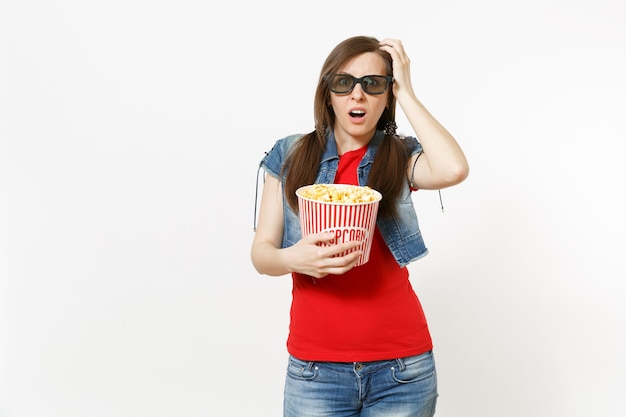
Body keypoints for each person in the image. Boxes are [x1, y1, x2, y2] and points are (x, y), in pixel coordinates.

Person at [250, 35, 469, 417]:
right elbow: (262, 254)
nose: (357, 95)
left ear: (388, 96)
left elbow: (453, 169)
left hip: (403, 370)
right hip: (315, 371)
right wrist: (295, 257)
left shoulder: (399, 157)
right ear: (328, 93)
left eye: (374, 84)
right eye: (344, 83)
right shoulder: (290, 155)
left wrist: (409, 93)